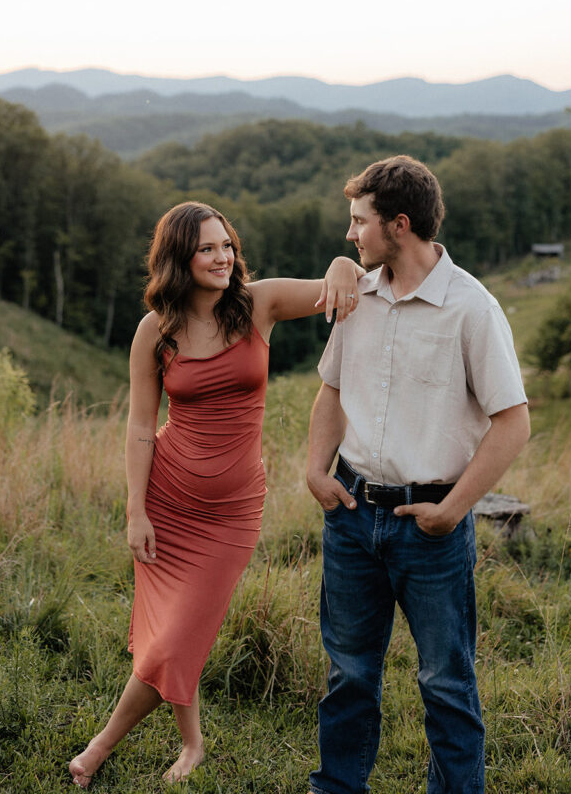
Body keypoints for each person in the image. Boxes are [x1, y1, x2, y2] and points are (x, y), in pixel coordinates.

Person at [69, 200, 361, 788]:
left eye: (226, 244)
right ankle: (192, 744)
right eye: (207, 248)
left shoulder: (259, 305)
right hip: (168, 499)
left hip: (231, 513)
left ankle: (98, 748)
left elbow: (339, 285)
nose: (222, 256)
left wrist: (341, 261)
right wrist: (135, 511)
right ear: (179, 257)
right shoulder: (156, 331)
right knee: (176, 631)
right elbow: (138, 425)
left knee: (178, 634)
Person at [306, 155, 530, 794]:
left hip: (429, 528)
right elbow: (330, 389)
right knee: (348, 675)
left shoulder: (472, 309)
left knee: (446, 683)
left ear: (398, 225)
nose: (350, 235)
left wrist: (453, 509)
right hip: (351, 516)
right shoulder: (359, 294)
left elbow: (513, 422)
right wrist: (315, 471)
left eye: (359, 223)